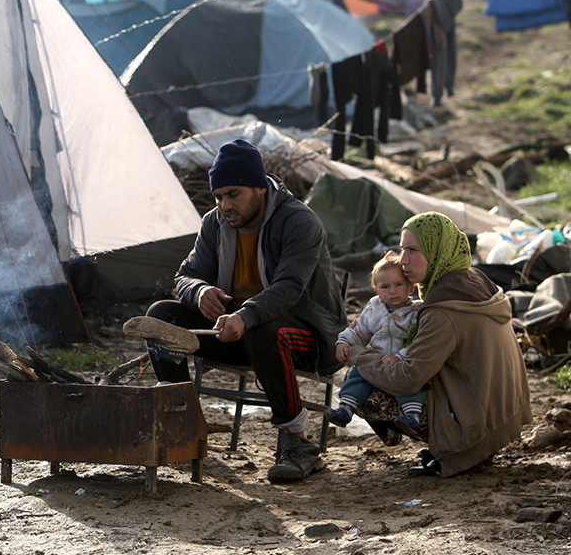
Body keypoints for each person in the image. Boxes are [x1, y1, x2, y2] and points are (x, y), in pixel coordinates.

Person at [144, 139, 346, 483]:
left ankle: (297, 443)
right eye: (219, 196)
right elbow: (185, 276)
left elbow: (288, 288)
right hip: (240, 329)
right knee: (160, 317)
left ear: (259, 188)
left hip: (307, 334)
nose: (225, 205)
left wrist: (244, 316)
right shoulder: (215, 223)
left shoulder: (299, 221)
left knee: (264, 330)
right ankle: (183, 427)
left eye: (233, 194)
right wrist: (200, 291)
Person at [350, 212, 533, 477]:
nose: (403, 261)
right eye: (402, 250)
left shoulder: (443, 309)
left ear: (437, 250)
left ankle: (458, 451)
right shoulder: (474, 279)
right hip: (504, 410)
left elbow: (407, 379)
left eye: (413, 250)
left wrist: (359, 355)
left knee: (362, 385)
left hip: (475, 426)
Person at [324, 251, 424, 436]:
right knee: (356, 373)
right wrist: (344, 341)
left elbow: (418, 340)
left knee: (409, 382)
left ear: (411, 288)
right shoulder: (374, 308)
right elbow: (360, 331)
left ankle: (412, 416)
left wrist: (401, 356)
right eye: (385, 287)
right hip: (378, 364)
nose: (392, 291)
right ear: (377, 290)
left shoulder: (415, 313)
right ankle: (346, 409)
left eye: (399, 285)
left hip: (402, 364)